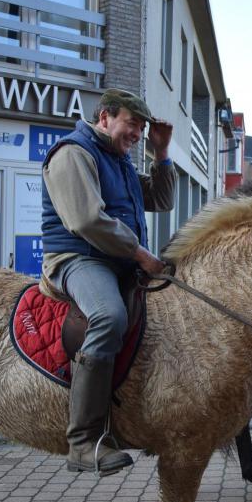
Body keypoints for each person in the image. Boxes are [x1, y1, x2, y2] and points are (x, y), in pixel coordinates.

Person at [41, 88, 175, 475]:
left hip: (117, 260)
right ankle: (83, 441)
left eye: (141, 127)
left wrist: (161, 154)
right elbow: (85, 221)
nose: (137, 133)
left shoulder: (119, 161)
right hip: (78, 259)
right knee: (108, 316)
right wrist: (141, 255)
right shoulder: (73, 152)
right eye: (132, 124)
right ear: (104, 117)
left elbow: (161, 200)